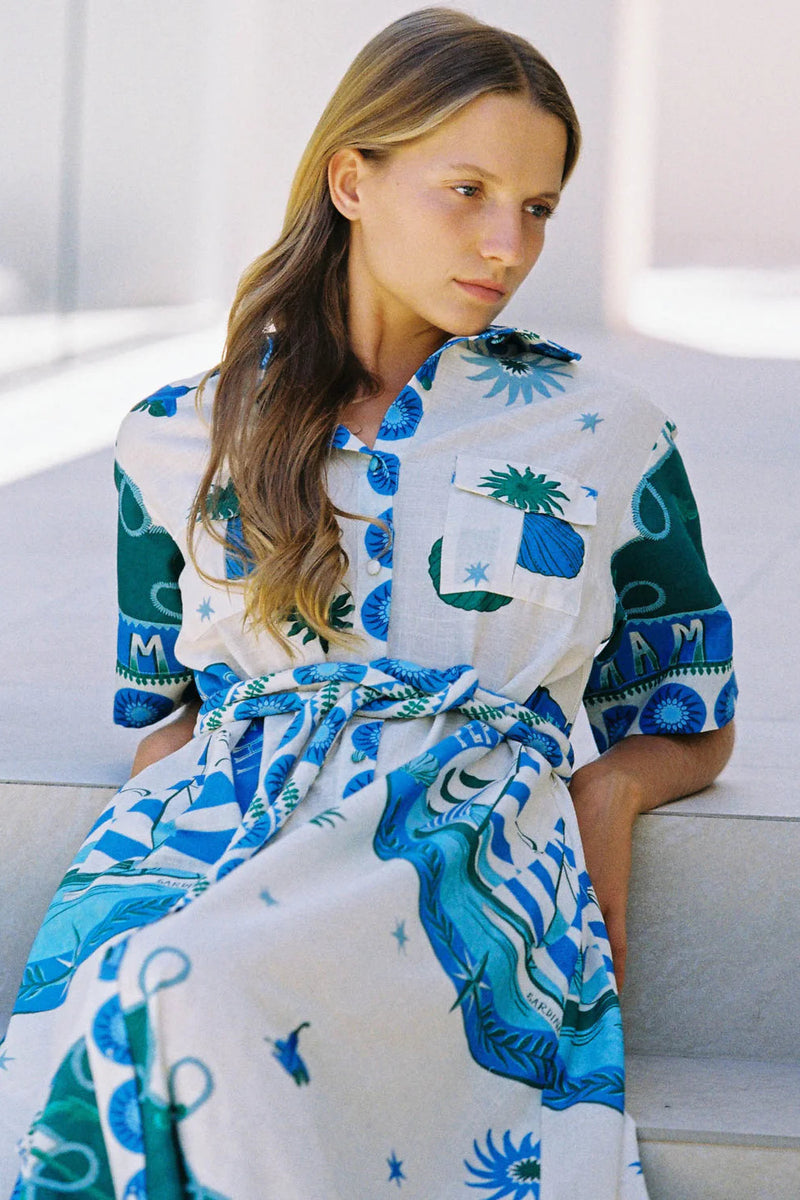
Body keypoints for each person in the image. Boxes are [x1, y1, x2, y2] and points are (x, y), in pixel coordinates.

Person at [0, 8, 736, 1198]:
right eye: (467, 191)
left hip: (456, 850)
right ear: (352, 178)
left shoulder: (605, 433)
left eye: (537, 207)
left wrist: (605, 796)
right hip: (226, 832)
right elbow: (164, 714)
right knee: (135, 986)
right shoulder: (172, 436)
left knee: (194, 985)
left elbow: (688, 704)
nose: (507, 242)